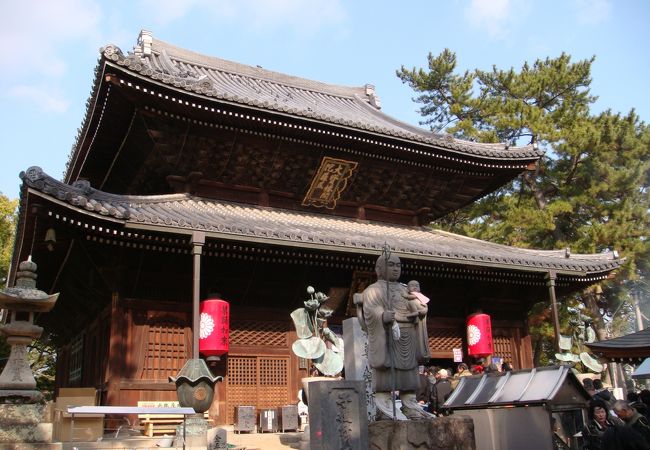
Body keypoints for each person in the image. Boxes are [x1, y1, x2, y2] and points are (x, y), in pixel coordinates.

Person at [360, 252, 431, 420]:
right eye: (391, 265)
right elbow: (370, 311)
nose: (395, 269)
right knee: (386, 372)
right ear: (379, 268)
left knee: (409, 371)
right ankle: (384, 403)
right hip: (388, 334)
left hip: (408, 332)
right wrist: (382, 316)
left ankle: (410, 403)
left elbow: (418, 304)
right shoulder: (373, 290)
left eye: (398, 265)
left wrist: (422, 311)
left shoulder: (405, 289)